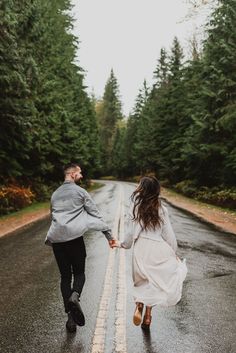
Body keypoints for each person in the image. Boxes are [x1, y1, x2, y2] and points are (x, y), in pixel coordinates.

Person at [45, 163, 116, 333]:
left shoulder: (54, 195)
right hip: (74, 240)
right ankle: (75, 296)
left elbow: (53, 216)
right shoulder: (80, 192)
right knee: (79, 273)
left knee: (64, 277)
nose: (81, 175)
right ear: (72, 174)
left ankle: (70, 320)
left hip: (57, 241)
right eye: (79, 172)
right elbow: (95, 214)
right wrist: (109, 236)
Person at [117, 176, 187, 330]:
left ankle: (139, 306)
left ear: (142, 189)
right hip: (159, 247)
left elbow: (129, 235)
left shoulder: (135, 208)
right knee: (153, 283)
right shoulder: (162, 209)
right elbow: (169, 236)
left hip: (141, 247)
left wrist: (123, 244)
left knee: (141, 281)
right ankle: (148, 316)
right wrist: (173, 253)